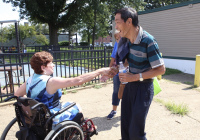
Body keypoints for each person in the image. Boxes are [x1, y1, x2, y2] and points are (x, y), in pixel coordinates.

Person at [14, 51, 115, 126]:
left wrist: (31, 109)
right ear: (43, 67)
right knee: (76, 107)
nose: (53, 65)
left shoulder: (30, 80)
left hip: (37, 118)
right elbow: (78, 81)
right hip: (50, 118)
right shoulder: (50, 82)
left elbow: (17, 94)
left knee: (69, 104)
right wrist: (99, 71)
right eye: (51, 63)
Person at [114, 8, 165, 140]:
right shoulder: (125, 40)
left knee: (136, 132)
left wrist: (135, 77)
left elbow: (160, 69)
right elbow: (125, 62)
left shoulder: (148, 41)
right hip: (130, 86)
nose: (116, 26)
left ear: (129, 21)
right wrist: (112, 71)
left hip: (144, 88)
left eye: (118, 22)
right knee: (125, 128)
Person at [107, 31, 121, 120]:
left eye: (120, 38)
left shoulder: (128, 44)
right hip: (116, 71)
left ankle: (127, 111)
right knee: (116, 91)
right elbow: (113, 56)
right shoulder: (116, 44)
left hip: (126, 72)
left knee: (127, 92)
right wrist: (110, 68)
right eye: (116, 38)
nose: (118, 40)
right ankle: (114, 110)